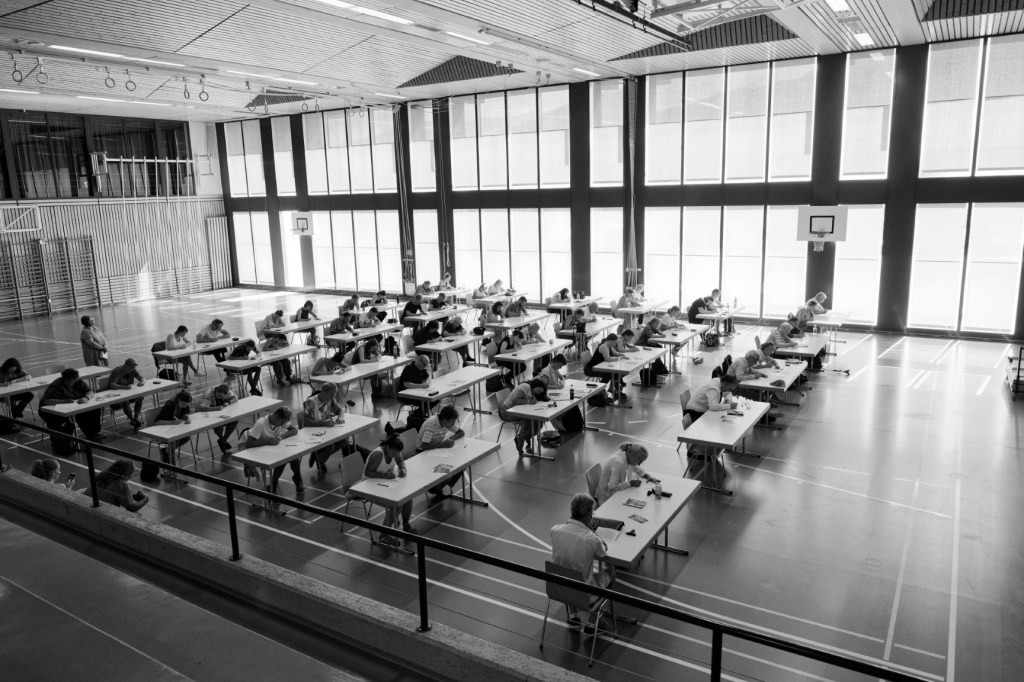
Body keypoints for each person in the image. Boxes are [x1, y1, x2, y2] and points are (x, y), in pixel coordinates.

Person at [550, 493, 615, 631]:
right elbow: (603, 552)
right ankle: (592, 623)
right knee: (610, 573)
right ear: (588, 515)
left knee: (568, 570)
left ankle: (573, 615)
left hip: (557, 588)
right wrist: (593, 532)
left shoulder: (555, 530)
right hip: (584, 595)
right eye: (592, 512)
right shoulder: (591, 539)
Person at [362, 434, 416, 545]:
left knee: (407, 496)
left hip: (384, 484)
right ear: (388, 447)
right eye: (393, 454)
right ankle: (384, 535)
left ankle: (406, 525)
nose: (395, 456)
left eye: (397, 453)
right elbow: (368, 472)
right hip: (369, 487)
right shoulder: (378, 454)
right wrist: (384, 475)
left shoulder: (395, 450)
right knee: (396, 505)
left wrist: (403, 469)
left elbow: (400, 461)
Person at [40, 368, 103, 455]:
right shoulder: (56, 386)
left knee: (93, 409)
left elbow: (90, 392)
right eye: (68, 380)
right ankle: (61, 446)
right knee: (66, 422)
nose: (71, 382)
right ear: (64, 378)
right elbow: (47, 401)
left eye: (73, 380)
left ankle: (92, 434)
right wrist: (64, 401)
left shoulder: (78, 382)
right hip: (50, 411)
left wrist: (86, 398)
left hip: (72, 407)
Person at [245, 407, 302, 495]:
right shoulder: (261, 423)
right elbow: (248, 444)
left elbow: (294, 430)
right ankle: (274, 483)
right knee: (283, 458)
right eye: (282, 423)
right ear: (276, 416)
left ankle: (297, 478)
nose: (282, 425)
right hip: (259, 452)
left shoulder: (279, 420)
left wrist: (281, 437)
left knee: (292, 456)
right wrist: (267, 441)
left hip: (273, 450)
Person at [416, 405, 466, 500]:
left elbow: (461, 432)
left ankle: (440, 486)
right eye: (452, 422)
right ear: (445, 419)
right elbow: (424, 445)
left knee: (461, 465)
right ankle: (435, 488)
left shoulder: (447, 423)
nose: (453, 424)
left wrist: (451, 439)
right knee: (448, 469)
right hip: (423, 452)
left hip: (436, 450)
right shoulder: (432, 423)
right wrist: (442, 445)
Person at [302, 382, 346, 476]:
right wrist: (323, 423)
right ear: (324, 391)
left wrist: (341, 417)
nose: (333, 396)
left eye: (334, 394)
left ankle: (318, 455)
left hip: (326, 430)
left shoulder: (330, 399)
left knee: (344, 441)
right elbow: (305, 422)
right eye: (331, 394)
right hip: (313, 431)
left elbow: (340, 410)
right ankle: (320, 461)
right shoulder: (310, 402)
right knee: (330, 447)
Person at [499, 378, 547, 456]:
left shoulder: (532, 392)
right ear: (535, 386)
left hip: (517, 411)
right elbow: (514, 400)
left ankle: (524, 437)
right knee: (528, 420)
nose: (538, 393)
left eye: (540, 392)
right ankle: (521, 440)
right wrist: (529, 401)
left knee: (539, 421)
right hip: (506, 411)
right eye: (538, 390)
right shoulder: (525, 386)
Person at [197, 382, 239, 455]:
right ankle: (223, 440)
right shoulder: (208, 394)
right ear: (217, 392)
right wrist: (215, 408)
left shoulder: (226, 391)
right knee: (218, 425)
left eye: (223, 397)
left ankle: (223, 441)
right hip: (209, 417)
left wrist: (228, 402)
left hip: (222, 414)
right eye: (220, 396)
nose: (222, 398)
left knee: (234, 421)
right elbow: (201, 408)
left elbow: (235, 398)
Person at [153, 390, 193, 463]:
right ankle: (168, 454)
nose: (185, 406)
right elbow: (156, 422)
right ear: (178, 400)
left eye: (186, 405)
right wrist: (172, 422)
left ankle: (167, 451)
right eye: (183, 404)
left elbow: (184, 414)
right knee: (176, 440)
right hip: (163, 430)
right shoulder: (169, 406)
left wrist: (187, 418)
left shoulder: (185, 405)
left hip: (175, 429)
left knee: (186, 437)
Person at [106, 358, 146, 429]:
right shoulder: (117, 371)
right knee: (125, 401)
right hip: (117, 395)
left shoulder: (132, 370)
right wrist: (124, 387)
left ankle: (135, 418)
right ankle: (132, 420)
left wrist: (142, 382)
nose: (132, 369)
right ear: (126, 365)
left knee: (140, 397)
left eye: (133, 367)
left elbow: (141, 377)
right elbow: (112, 385)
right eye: (131, 367)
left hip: (128, 393)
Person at [584, 333, 625, 400]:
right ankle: (598, 391)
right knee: (607, 374)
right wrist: (618, 358)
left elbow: (615, 353)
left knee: (616, 372)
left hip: (600, 367)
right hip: (591, 369)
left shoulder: (609, 346)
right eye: (615, 342)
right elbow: (607, 358)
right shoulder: (603, 346)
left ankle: (611, 389)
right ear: (610, 341)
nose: (615, 344)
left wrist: (622, 355)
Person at [0, 357, 33, 422]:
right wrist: (2, 384)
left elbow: (28, 376)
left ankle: (16, 412)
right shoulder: (0, 371)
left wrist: (15, 380)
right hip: (3, 395)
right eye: (10, 370)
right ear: (6, 367)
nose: (11, 372)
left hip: (15, 393)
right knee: (11, 399)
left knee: (30, 395)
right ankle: (15, 416)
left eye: (13, 371)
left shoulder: (18, 371)